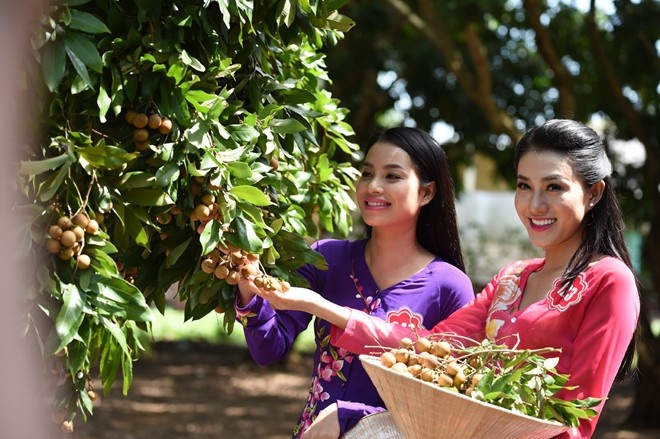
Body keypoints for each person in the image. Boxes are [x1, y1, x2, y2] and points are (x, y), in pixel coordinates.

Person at [244, 119, 641, 439]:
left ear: (593, 193)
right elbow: (427, 350)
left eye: (554, 187)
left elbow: (575, 420)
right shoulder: (513, 278)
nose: (535, 204)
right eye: (524, 186)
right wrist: (319, 310)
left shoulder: (609, 281)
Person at [234, 126, 475, 438]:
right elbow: (268, 349)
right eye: (367, 173)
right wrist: (248, 283)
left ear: (426, 193)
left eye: (392, 176)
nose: (373, 186)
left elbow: (453, 399)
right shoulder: (326, 258)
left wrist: (352, 416)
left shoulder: (449, 285)